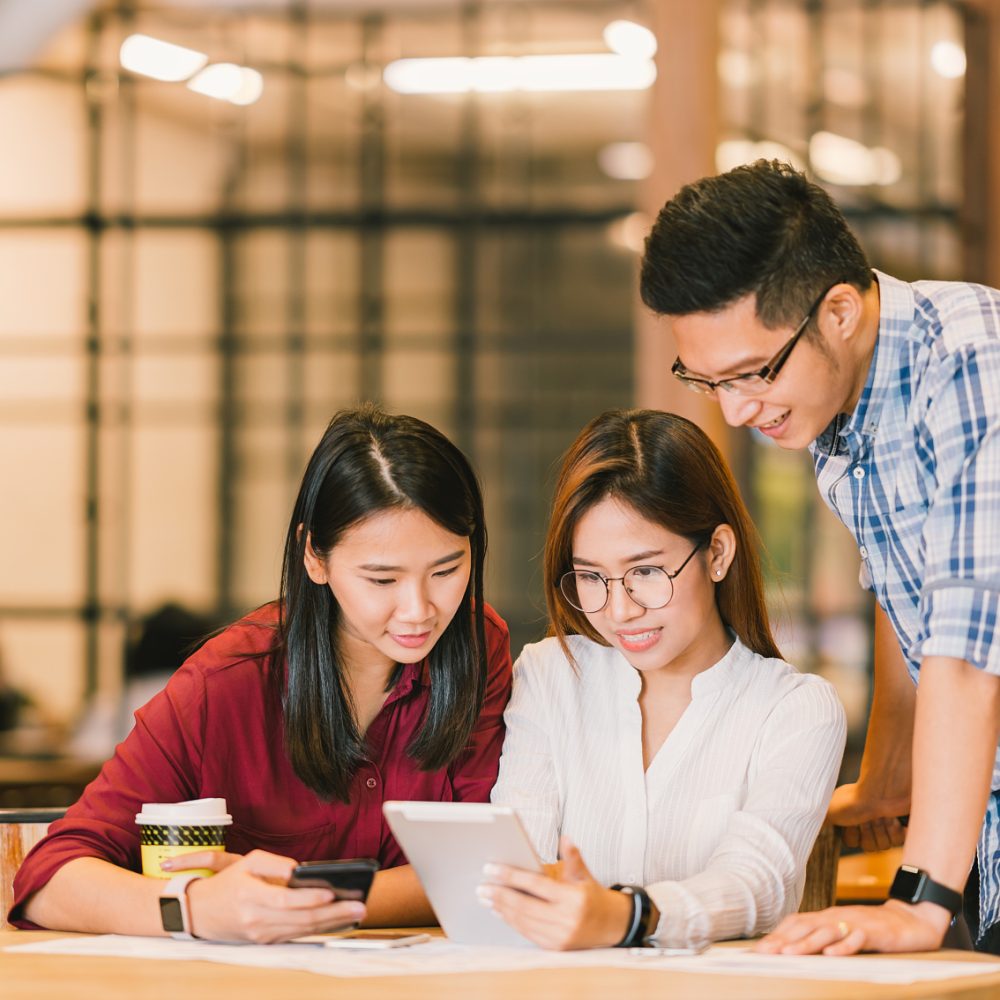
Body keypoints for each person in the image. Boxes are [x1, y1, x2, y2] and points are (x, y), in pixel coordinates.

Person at [638, 159, 1000, 956]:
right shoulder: (842, 409)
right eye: (706, 382)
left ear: (837, 310)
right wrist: (887, 779)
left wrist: (920, 898)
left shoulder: (974, 364)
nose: (736, 411)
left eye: (752, 373)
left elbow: (968, 645)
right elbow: (908, 598)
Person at [10, 403, 512, 943]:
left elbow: (485, 872)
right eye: (381, 579)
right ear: (313, 558)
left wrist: (299, 890)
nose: (418, 610)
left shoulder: (479, 645)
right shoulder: (225, 683)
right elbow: (49, 879)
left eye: (447, 570)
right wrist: (196, 908)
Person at [482, 408, 845, 950]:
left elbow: (756, 885)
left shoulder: (795, 710)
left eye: (646, 572)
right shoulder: (552, 674)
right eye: (591, 577)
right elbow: (515, 872)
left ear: (717, 553)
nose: (620, 610)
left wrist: (627, 915)